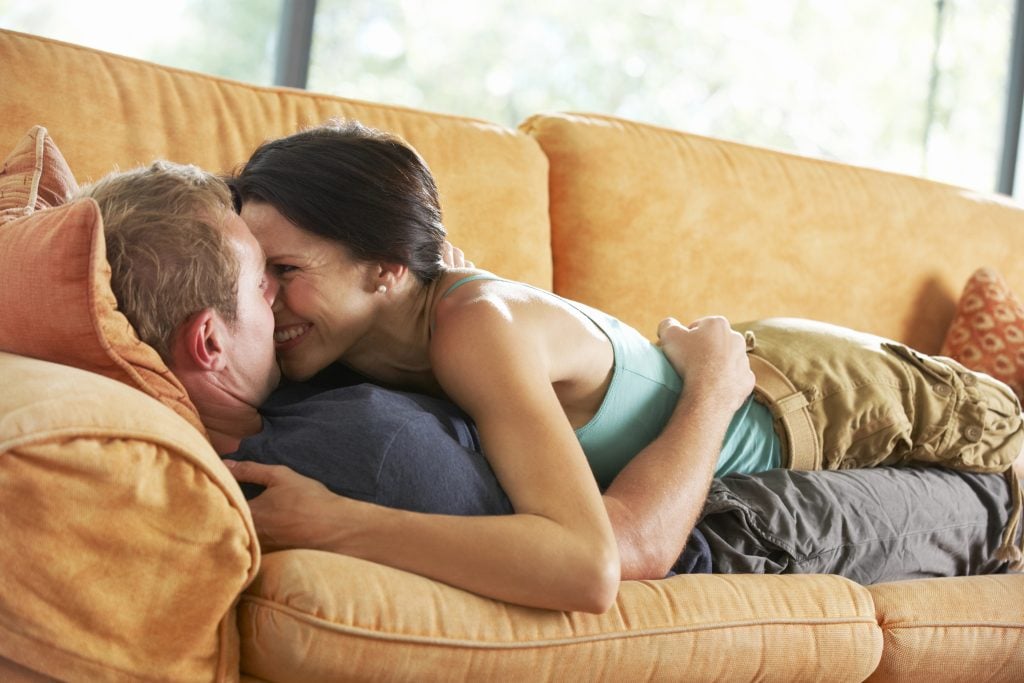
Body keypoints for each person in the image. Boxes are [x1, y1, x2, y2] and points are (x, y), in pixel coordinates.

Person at [80, 161, 1022, 614]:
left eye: (281, 271)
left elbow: (607, 557)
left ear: (382, 271)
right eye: (261, 280)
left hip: (801, 399)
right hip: (742, 418)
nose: (275, 305)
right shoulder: (342, 342)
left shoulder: (463, 326)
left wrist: (712, 387)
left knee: (1007, 442)